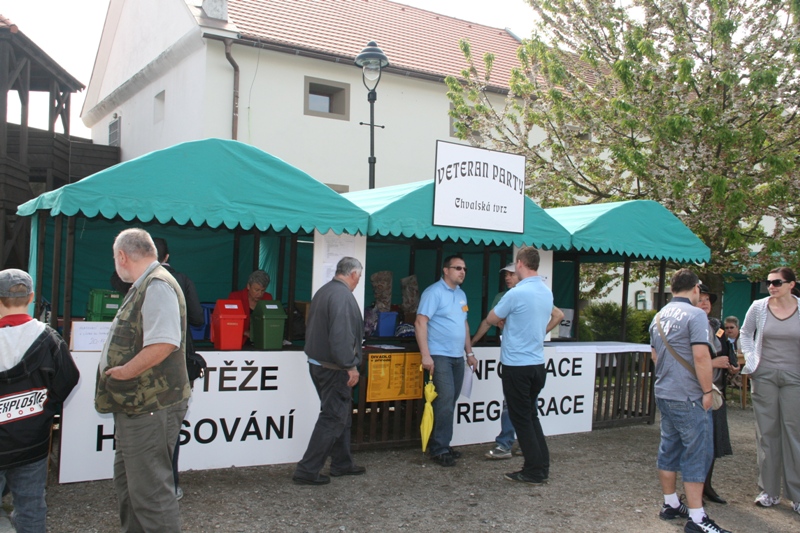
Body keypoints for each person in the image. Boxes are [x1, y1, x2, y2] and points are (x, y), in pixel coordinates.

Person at [94, 228, 191, 532]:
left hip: (149, 406)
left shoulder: (157, 285)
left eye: (115, 259)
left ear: (122, 256)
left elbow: (164, 343)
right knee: (131, 487)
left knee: (150, 495)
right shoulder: (146, 284)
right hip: (139, 405)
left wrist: (124, 372)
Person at [650, 269, 731, 533]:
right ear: (695, 288)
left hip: (665, 391)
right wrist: (707, 391)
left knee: (669, 448)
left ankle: (671, 503)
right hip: (689, 395)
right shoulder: (696, 315)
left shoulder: (659, 316)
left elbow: (655, 356)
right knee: (697, 453)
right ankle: (697, 519)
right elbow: (700, 356)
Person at [0, 269, 80, 533]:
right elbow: (69, 377)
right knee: (31, 508)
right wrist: (45, 408)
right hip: (32, 441)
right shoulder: (48, 338)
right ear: (32, 296)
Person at [478, 247, 559, 484]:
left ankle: (534, 470)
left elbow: (492, 318)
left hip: (517, 364)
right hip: (537, 363)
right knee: (531, 416)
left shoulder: (515, 293)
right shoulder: (546, 291)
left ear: (520, 263)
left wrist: (506, 318)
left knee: (521, 418)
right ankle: (541, 465)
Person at [293, 257, 366, 485]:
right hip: (334, 368)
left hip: (319, 363)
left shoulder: (324, 291)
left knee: (340, 415)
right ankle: (307, 470)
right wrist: (350, 365)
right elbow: (341, 336)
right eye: (359, 277)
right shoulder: (342, 296)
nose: (358, 281)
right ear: (353, 274)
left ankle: (342, 463)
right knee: (333, 417)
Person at [740, 267, 800, 515]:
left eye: (776, 282)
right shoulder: (758, 307)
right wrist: (751, 358)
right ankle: (769, 491)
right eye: (768, 282)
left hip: (795, 377)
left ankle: (797, 495)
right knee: (766, 433)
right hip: (764, 375)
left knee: (794, 433)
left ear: (791, 284)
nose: (771, 286)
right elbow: (745, 333)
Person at [154, 237, 204, 502]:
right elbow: (197, 318)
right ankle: (170, 485)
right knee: (171, 428)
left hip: (145, 363)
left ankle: (143, 487)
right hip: (178, 361)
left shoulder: (136, 281)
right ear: (167, 256)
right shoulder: (182, 280)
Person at [415, 255, 477, 467]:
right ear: (446, 270)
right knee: (445, 400)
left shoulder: (461, 294)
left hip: (457, 356)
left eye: (464, 269)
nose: (462, 272)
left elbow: (464, 324)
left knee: (449, 402)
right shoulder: (433, 292)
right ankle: (439, 448)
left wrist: (469, 353)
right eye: (458, 268)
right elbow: (420, 322)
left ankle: (442, 443)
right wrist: (425, 354)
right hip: (439, 355)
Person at [471, 263, 519, 459]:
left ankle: (510, 444)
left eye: (511, 274)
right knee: (516, 403)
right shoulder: (501, 297)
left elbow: (557, 315)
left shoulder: (530, 295)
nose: (507, 278)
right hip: (513, 357)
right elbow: (488, 321)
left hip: (522, 359)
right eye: (505, 274)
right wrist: (472, 343)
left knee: (520, 404)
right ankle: (511, 443)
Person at [696, 284, 737, 505]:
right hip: (698, 391)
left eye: (708, 300)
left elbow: (726, 348)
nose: (705, 304)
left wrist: (731, 364)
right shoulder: (692, 325)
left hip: (717, 391)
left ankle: (707, 486)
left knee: (712, 443)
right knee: (697, 444)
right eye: (700, 299)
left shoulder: (716, 325)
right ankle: (694, 489)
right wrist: (713, 363)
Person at [228, 270, 273, 343]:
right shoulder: (235, 297)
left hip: (261, 341)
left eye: (263, 290)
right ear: (248, 286)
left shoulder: (268, 298)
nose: (260, 294)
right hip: (239, 341)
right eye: (257, 290)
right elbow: (229, 322)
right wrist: (244, 332)